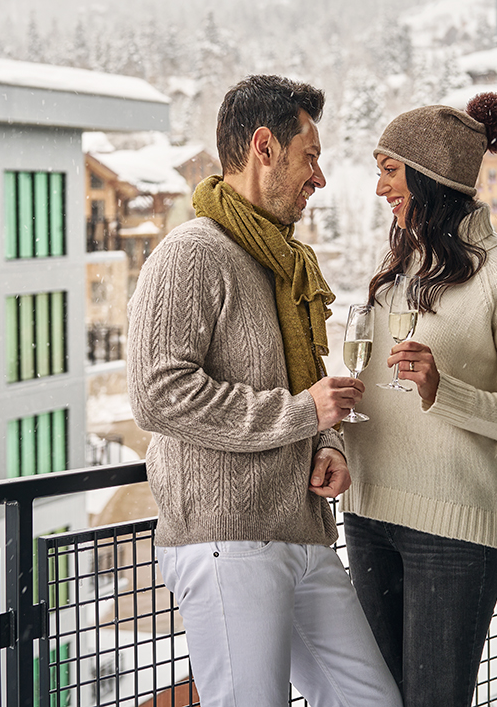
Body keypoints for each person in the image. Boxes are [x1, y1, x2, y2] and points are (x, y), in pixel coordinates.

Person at [128, 74, 402, 707]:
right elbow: (156, 394)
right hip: (228, 537)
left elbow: (302, 387)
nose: (320, 178)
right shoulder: (191, 253)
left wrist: (326, 440)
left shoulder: (283, 261)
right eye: (311, 157)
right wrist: (302, 415)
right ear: (263, 147)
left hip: (300, 529)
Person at [341, 93, 497, 707]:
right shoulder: (398, 265)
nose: (380, 187)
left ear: (430, 177)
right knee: (377, 699)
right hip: (368, 511)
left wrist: (444, 391)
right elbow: (369, 383)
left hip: (452, 530)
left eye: (389, 169)